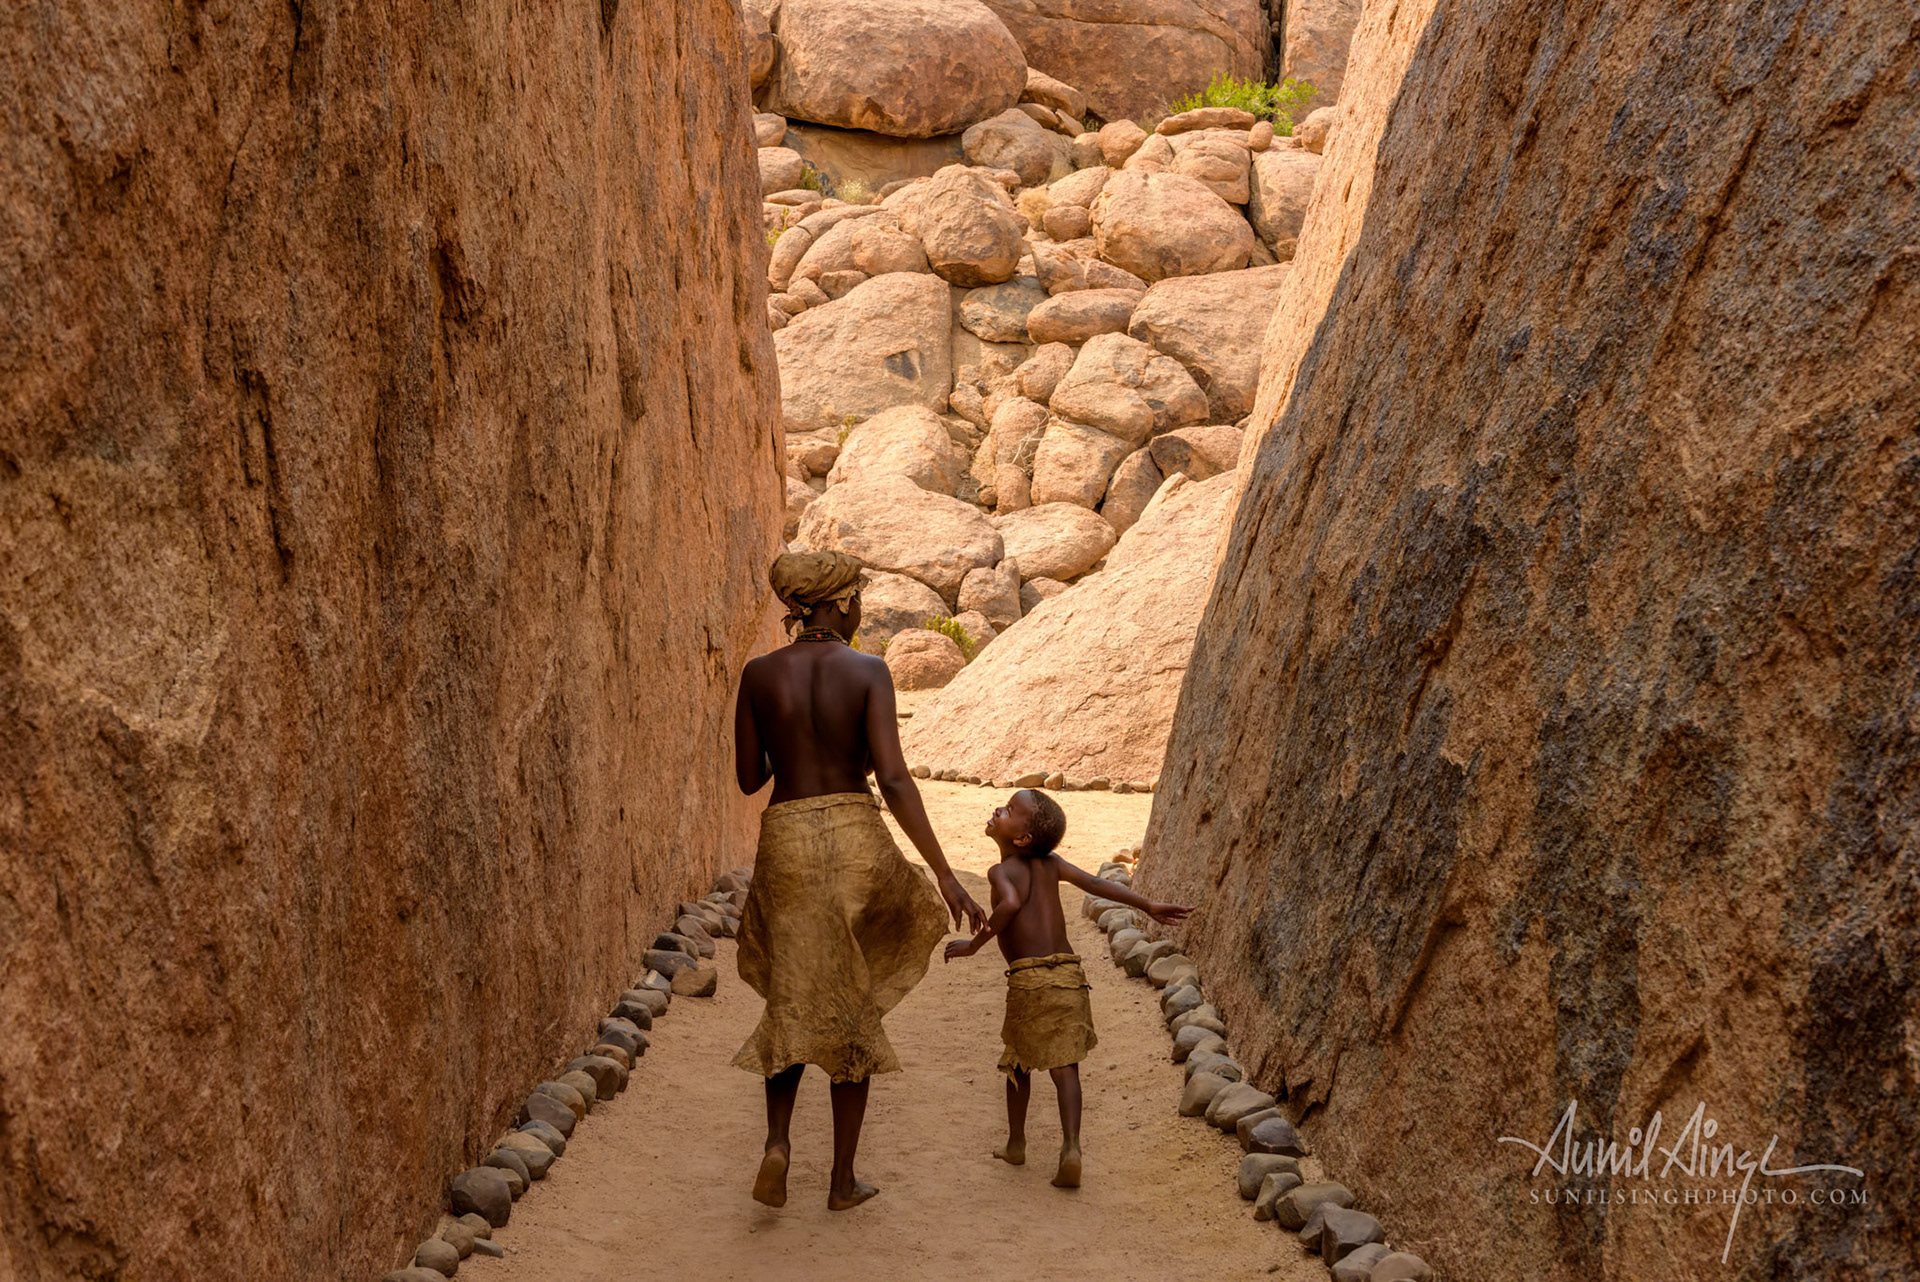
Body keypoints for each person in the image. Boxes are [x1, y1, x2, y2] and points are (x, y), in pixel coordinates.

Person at [731, 550, 987, 1211]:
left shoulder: (759, 675)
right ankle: (842, 1181)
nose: (862, 608)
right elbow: (894, 778)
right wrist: (942, 873)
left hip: (786, 838)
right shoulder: (868, 670)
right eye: (859, 599)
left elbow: (749, 777)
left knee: (792, 997)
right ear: (841, 603)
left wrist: (790, 739)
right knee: (854, 1006)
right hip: (853, 837)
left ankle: (777, 1145)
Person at [943, 789, 1191, 1188]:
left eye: (1008, 810)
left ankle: (1017, 1143)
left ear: (1021, 839)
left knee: (1018, 1061)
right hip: (1069, 974)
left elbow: (1007, 906)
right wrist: (1146, 905)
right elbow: (1095, 883)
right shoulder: (1052, 864)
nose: (997, 809)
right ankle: (1071, 1146)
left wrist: (975, 945)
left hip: (1029, 979)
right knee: (1066, 1065)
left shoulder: (1001, 872)